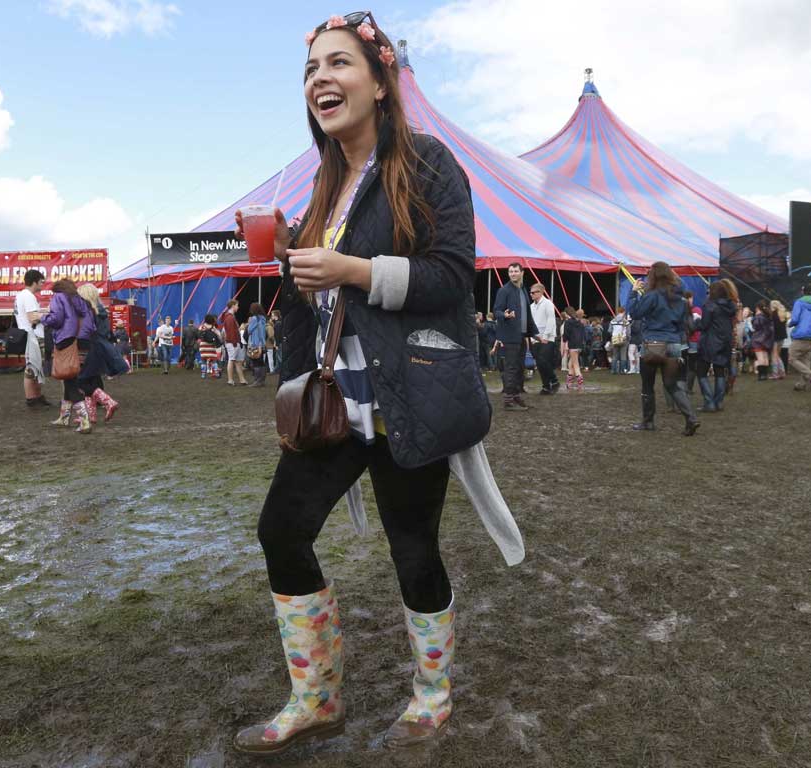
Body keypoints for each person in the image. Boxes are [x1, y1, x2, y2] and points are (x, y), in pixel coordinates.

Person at [231, 11, 498, 754]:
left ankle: (432, 698)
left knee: (413, 551)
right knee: (280, 532)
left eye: (340, 63)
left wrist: (352, 269)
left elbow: (453, 278)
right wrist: (293, 263)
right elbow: (312, 305)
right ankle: (316, 698)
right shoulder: (323, 185)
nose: (322, 78)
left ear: (380, 82)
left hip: (410, 399)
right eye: (312, 69)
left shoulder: (428, 163)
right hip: (335, 406)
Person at [627, 262, 699, 435]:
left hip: (653, 343)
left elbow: (635, 312)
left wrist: (634, 292)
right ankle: (691, 417)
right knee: (671, 384)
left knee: (647, 384)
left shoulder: (652, 295)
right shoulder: (681, 300)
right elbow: (686, 324)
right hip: (674, 344)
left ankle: (648, 421)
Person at [42, 279, 96, 433]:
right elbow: (86, 316)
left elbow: (57, 319)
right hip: (76, 340)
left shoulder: (58, 297)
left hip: (63, 339)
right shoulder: (77, 299)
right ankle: (64, 417)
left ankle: (85, 421)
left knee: (70, 382)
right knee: (69, 380)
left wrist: (42, 318)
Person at [493, 263, 539, 410]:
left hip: (522, 336)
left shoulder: (523, 290)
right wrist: (504, 315)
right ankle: (508, 401)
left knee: (519, 368)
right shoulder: (504, 290)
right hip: (510, 336)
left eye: (515, 271)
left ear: (522, 273)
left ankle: (515, 396)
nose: (513, 274)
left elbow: (528, 315)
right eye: (510, 271)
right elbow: (496, 311)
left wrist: (534, 334)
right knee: (511, 368)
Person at [77, 283, 123, 422]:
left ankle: (108, 402)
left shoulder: (88, 312)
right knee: (91, 380)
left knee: (81, 381)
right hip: (101, 348)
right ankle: (91, 415)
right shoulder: (102, 312)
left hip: (90, 348)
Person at [694, 281, 737, 412]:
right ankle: (718, 402)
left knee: (701, 372)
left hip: (710, 342)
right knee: (719, 372)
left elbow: (704, 325)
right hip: (726, 342)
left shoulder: (709, 305)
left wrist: (696, 321)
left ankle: (709, 402)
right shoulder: (731, 306)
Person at [14, 269, 51, 406]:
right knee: (32, 368)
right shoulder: (29, 296)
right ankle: (32, 398)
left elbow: (30, 315)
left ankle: (36, 396)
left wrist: (43, 311)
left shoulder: (21, 295)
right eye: (41, 282)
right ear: (34, 281)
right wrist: (49, 315)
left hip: (29, 335)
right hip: (33, 336)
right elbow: (32, 318)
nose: (42, 285)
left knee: (35, 367)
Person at [787, 283, 811, 391]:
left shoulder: (799, 302)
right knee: (806, 360)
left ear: (803, 291)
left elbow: (794, 319)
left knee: (792, 358)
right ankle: (801, 384)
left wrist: (789, 324)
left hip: (801, 334)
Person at [529, 283, 559, 394]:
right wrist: (532, 338)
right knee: (539, 363)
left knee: (543, 361)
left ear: (541, 292)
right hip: (536, 338)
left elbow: (551, 321)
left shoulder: (548, 304)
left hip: (548, 338)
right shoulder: (531, 306)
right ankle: (546, 386)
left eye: (533, 292)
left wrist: (546, 337)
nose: (531, 294)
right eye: (530, 292)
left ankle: (554, 380)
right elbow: (531, 323)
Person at [221, 300, 247, 386]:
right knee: (232, 360)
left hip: (234, 342)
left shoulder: (230, 316)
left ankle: (242, 379)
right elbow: (230, 332)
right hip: (233, 342)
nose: (238, 307)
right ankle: (230, 380)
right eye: (237, 305)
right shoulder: (229, 317)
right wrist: (235, 343)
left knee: (238, 361)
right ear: (233, 306)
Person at [750, 300, 774, 381]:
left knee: (760, 357)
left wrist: (754, 318)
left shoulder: (758, 317)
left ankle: (761, 375)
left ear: (757, 308)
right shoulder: (767, 316)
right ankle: (765, 375)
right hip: (767, 340)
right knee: (765, 357)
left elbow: (755, 327)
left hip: (758, 339)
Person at [561, 306, 585, 390]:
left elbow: (566, 335)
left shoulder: (568, 322)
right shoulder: (580, 323)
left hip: (572, 345)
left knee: (575, 365)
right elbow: (583, 335)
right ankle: (569, 383)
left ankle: (580, 380)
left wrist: (564, 343)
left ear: (567, 314)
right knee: (570, 364)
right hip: (579, 346)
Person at [246, 302, 268, 387]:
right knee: (261, 362)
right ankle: (261, 380)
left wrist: (248, 324)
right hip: (261, 343)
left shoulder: (254, 319)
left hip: (255, 343)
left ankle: (257, 381)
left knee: (255, 362)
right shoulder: (262, 318)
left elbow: (249, 330)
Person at [197, 314, 222, 379]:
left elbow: (198, 334)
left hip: (203, 346)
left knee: (203, 360)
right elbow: (219, 335)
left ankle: (203, 374)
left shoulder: (202, 327)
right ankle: (216, 372)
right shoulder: (213, 328)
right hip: (211, 346)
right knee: (214, 360)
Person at [769, 301, 788, 379]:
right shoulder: (783, 314)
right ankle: (782, 372)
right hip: (782, 337)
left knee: (774, 355)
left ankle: (775, 374)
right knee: (777, 355)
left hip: (775, 337)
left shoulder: (773, 314)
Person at [609, 306, 629, 374]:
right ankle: (622, 370)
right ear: (624, 312)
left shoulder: (612, 321)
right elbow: (628, 332)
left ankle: (613, 370)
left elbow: (610, 330)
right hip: (623, 339)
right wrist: (628, 338)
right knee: (623, 355)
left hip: (615, 339)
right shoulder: (625, 321)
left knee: (615, 355)